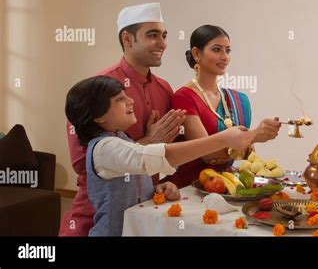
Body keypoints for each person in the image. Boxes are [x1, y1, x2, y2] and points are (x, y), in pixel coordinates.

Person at [65, 75, 254, 236]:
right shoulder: (103, 148)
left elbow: (132, 176)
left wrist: (156, 188)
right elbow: (158, 157)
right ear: (99, 117)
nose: (130, 101)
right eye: (119, 99)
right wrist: (222, 139)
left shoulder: (121, 139)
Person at [60, 3, 186, 236]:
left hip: (146, 209)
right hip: (97, 214)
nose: (163, 43)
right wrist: (145, 143)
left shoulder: (165, 88)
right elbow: (82, 162)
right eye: (152, 35)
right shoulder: (98, 88)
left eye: (164, 35)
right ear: (127, 39)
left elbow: (173, 149)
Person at [165, 25, 281, 188]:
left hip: (230, 185)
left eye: (228, 50)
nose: (225, 56)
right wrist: (253, 136)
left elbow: (249, 155)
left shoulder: (239, 100)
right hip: (191, 187)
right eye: (217, 49)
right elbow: (206, 154)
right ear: (196, 53)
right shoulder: (184, 97)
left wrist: (236, 147)